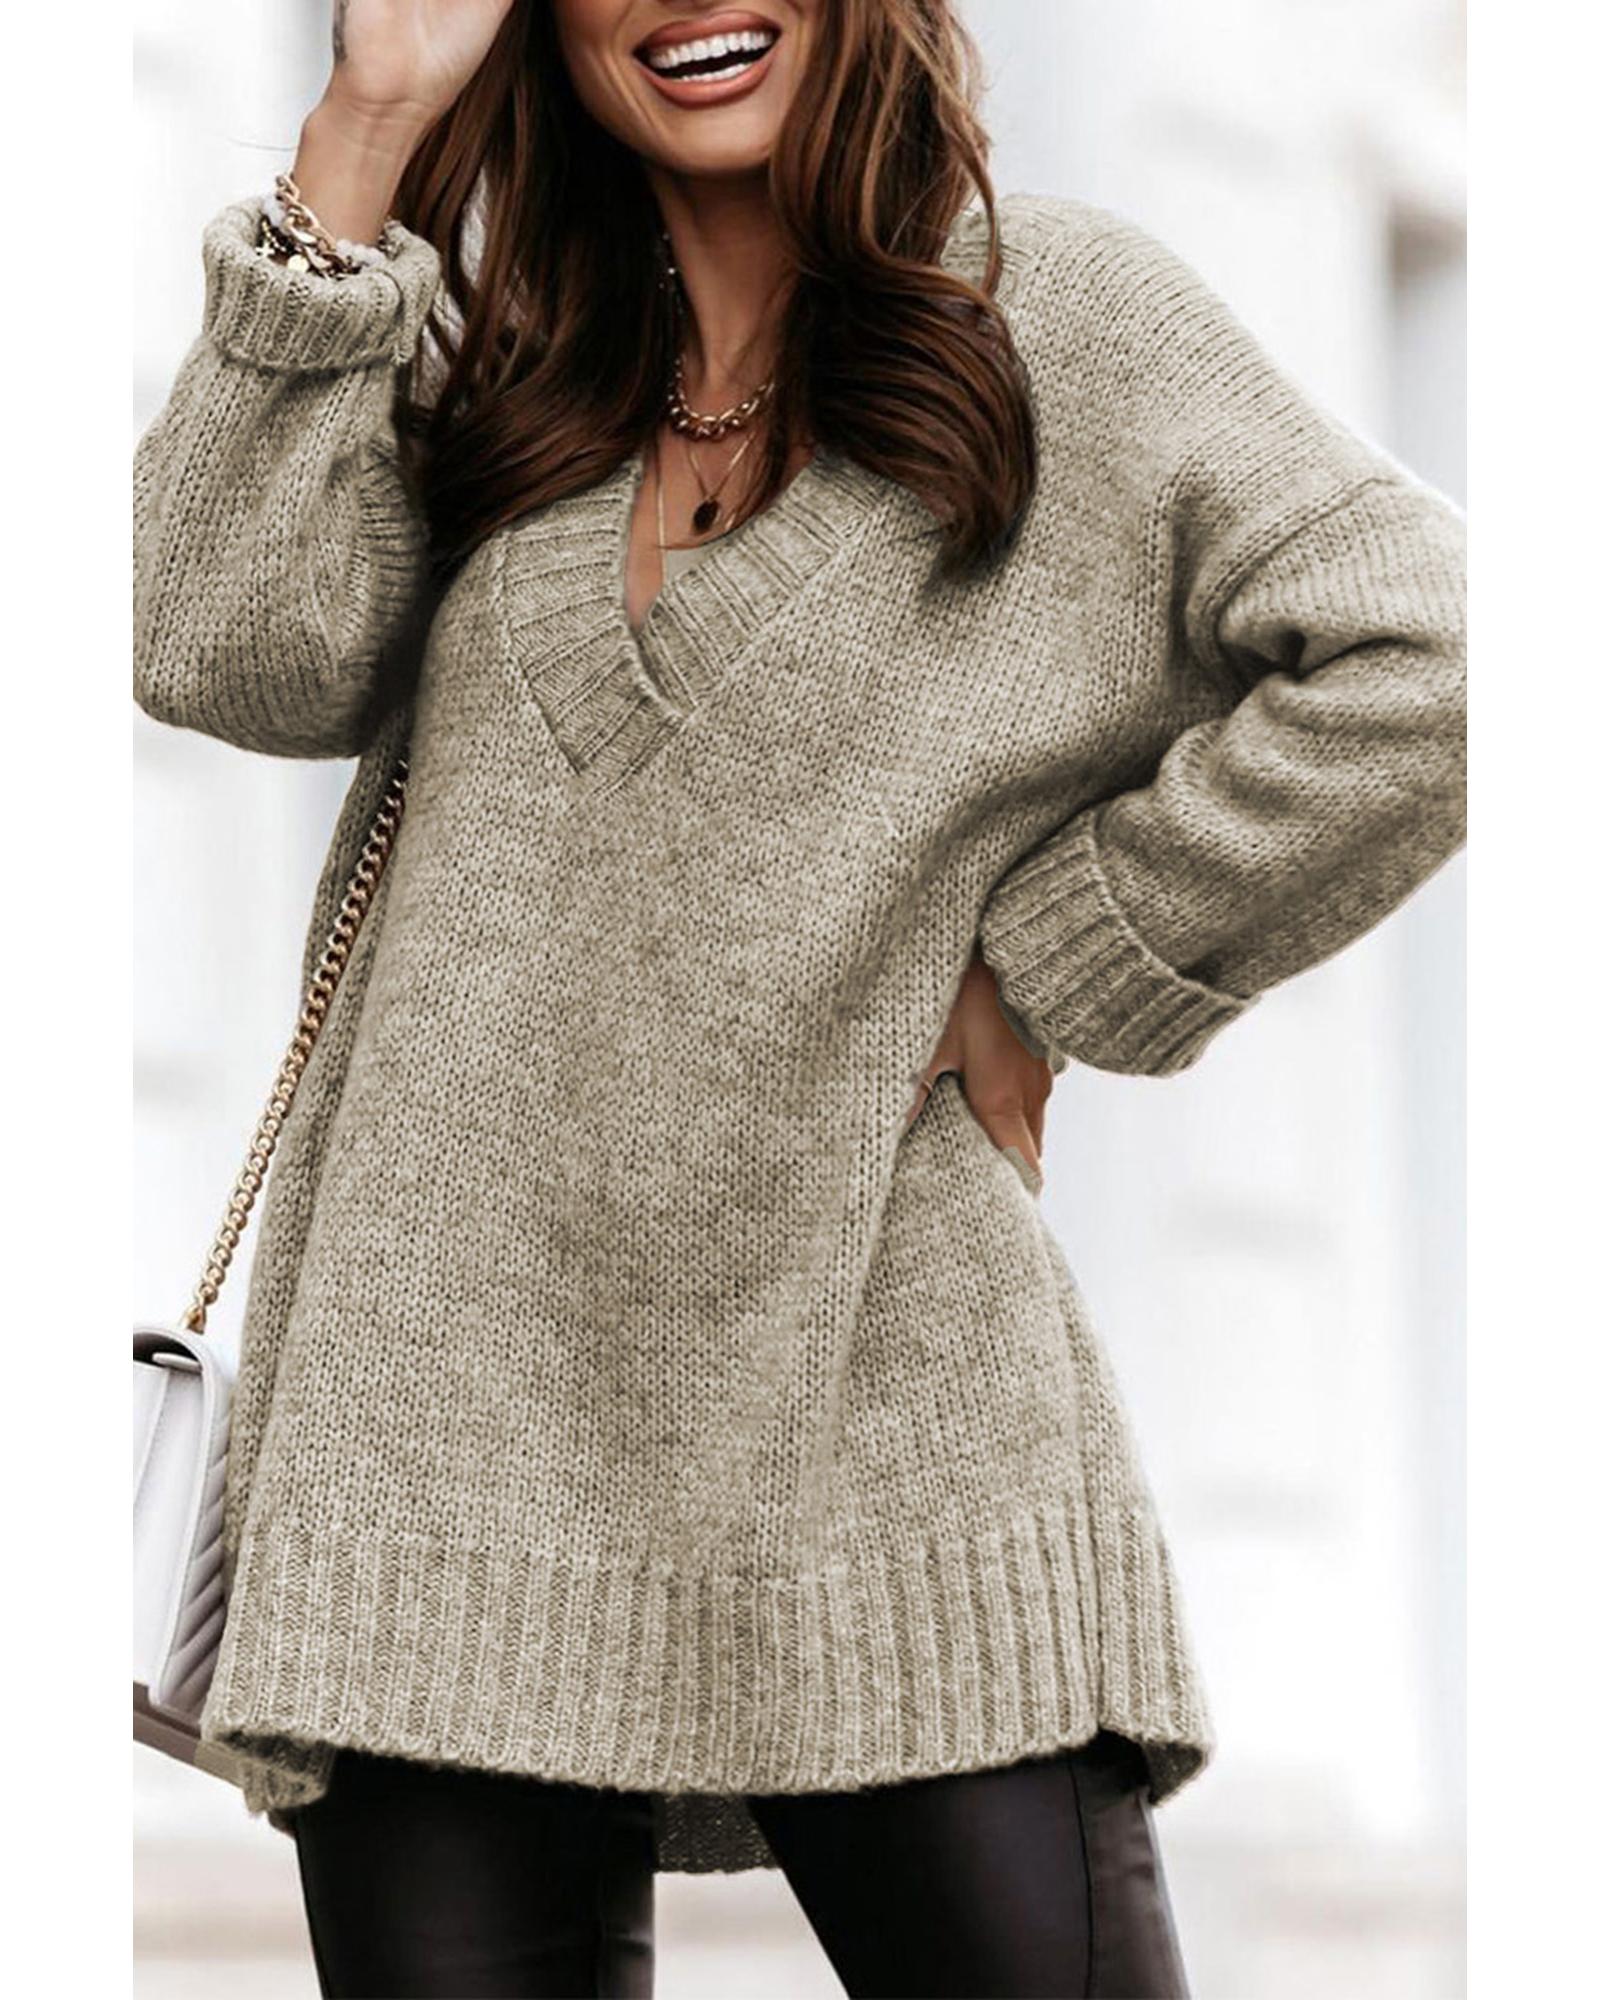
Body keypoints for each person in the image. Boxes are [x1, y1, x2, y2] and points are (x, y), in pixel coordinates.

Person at [131, 2, 1467, 1995]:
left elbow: (1434, 657)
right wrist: (370, 117)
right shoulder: (503, 361)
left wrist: (1064, 954)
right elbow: (217, 646)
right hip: (430, 1461)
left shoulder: (1058, 318)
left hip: (884, 1431)